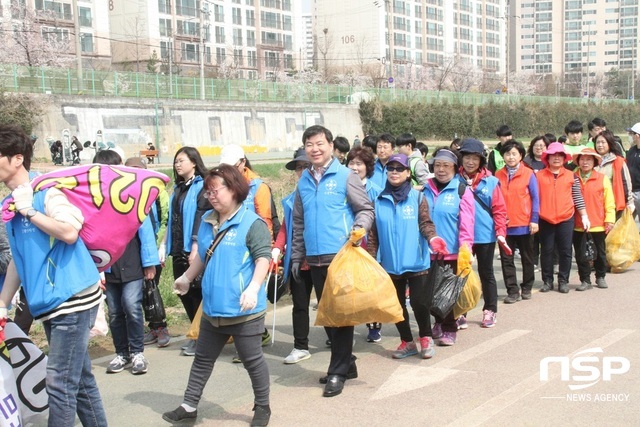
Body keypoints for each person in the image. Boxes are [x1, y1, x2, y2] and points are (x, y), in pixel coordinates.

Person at [0, 124, 107, 426]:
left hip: (72, 298)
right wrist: (3, 303)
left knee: (59, 383)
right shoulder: (9, 205)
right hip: (50, 301)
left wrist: (31, 212)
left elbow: (70, 232)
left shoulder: (46, 191)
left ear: (17, 158)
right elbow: (18, 261)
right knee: (81, 380)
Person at [162, 165, 272, 426]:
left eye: (215, 190)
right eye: (207, 192)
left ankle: (263, 406)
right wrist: (187, 278)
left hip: (243, 311)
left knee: (252, 361)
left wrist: (254, 288)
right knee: (202, 359)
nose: (210, 196)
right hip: (212, 309)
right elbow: (203, 255)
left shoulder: (251, 223)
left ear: (234, 189)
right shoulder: (208, 220)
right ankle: (189, 405)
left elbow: (263, 260)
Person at [291, 125, 374, 397]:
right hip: (313, 259)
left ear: (330, 146)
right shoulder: (303, 180)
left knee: (340, 314)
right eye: (309, 145)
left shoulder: (345, 175)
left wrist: (359, 228)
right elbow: (299, 221)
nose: (314, 149)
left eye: (319, 144)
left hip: (340, 255)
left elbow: (365, 209)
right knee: (327, 314)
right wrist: (296, 254)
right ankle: (347, 362)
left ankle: (337, 371)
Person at [367, 153, 448, 359]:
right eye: (391, 169)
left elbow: (425, 223)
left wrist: (432, 239)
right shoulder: (378, 200)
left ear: (407, 173)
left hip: (416, 261)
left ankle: (426, 337)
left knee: (420, 303)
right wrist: (369, 260)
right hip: (390, 264)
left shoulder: (417, 197)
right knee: (396, 305)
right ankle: (407, 342)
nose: (394, 172)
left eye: (399, 169)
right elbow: (373, 234)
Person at [94, 150, 158, 375]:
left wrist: (149, 262)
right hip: (108, 266)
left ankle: (137, 352)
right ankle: (122, 353)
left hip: (131, 262)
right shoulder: (94, 199)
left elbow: (146, 230)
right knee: (114, 311)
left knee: (131, 306)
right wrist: (95, 268)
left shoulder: (131, 194)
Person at [219, 144, 277, 351]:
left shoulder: (258, 188)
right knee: (237, 292)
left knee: (251, 291)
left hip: (254, 250)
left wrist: (266, 252)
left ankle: (251, 342)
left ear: (242, 163)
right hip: (233, 248)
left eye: (232, 166)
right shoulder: (227, 186)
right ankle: (255, 336)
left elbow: (266, 222)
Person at [159, 147, 212, 356]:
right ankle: (196, 332)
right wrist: (164, 244)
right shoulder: (179, 188)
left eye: (181, 161)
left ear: (193, 162)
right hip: (178, 247)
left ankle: (201, 337)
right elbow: (173, 217)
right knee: (184, 292)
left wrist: (197, 245)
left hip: (194, 247)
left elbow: (202, 216)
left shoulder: (202, 186)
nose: (177, 165)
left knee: (197, 292)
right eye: (175, 162)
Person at [423, 149, 475, 346]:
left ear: (454, 167)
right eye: (437, 165)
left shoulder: (462, 190)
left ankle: (449, 328)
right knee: (429, 293)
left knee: (448, 293)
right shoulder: (424, 190)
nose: (441, 169)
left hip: (452, 252)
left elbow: (467, 223)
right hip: (427, 252)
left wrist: (465, 248)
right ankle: (438, 322)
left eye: (446, 165)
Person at [457, 138, 509, 328]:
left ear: (481, 161)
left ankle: (490, 310)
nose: (470, 162)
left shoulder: (492, 181)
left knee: (487, 273)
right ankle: (460, 311)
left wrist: (501, 232)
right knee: (461, 274)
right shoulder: (454, 179)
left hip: (485, 235)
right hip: (462, 236)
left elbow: (499, 210)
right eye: (467, 157)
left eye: (475, 158)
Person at [273, 148, 316, 364]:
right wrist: (277, 247)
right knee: (299, 304)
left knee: (330, 303)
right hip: (298, 259)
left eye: (306, 166)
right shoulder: (291, 199)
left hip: (322, 258)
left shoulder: (321, 194)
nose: (302, 171)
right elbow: (285, 228)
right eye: (299, 168)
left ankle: (339, 343)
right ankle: (300, 346)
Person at [125, 157, 172, 348]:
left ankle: (161, 327)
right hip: (131, 250)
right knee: (141, 291)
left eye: (138, 169)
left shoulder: (156, 191)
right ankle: (152, 328)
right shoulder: (124, 191)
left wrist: (159, 246)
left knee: (152, 288)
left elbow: (165, 220)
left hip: (152, 248)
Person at [537, 142, 589, 293]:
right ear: (547, 158)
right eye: (553, 155)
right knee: (547, 251)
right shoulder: (538, 176)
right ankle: (547, 281)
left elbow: (578, 197)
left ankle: (563, 280)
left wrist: (584, 215)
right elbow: (534, 198)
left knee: (566, 251)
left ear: (564, 158)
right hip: (545, 218)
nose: (557, 158)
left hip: (566, 218)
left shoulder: (571, 176)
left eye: (560, 155)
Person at [346, 146, 383, 343]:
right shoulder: (342, 186)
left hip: (370, 244)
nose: (354, 167)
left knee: (370, 287)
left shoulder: (375, 191)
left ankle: (374, 325)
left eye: (359, 163)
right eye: (351, 163)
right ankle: (345, 330)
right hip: (347, 242)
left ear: (367, 167)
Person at [495, 140, 540, 302]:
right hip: (504, 226)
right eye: (507, 154)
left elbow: (536, 198)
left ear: (521, 156)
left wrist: (534, 219)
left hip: (524, 224)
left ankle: (527, 287)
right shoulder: (498, 175)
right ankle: (512, 291)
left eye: (514, 153)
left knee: (527, 258)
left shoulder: (528, 174)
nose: (511, 157)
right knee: (507, 259)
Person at [572, 148, 615, 291]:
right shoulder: (572, 177)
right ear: (578, 161)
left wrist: (610, 220)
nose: (585, 162)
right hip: (577, 224)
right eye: (582, 159)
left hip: (598, 223)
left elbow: (609, 201)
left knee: (600, 253)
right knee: (580, 254)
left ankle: (600, 276)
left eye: (589, 159)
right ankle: (585, 279)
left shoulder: (602, 179)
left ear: (594, 162)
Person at [594, 130, 634, 220]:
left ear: (609, 143)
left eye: (603, 142)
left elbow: (626, 183)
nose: (600, 145)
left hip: (613, 205)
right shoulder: (591, 161)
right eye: (598, 142)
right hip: (595, 205)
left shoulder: (618, 161)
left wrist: (630, 202)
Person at [626, 122, 640, 220]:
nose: (630, 136)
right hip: (631, 192)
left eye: (631, 134)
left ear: (637, 136)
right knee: (627, 222)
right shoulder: (631, 150)